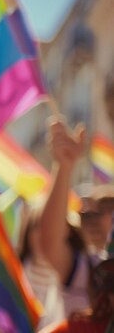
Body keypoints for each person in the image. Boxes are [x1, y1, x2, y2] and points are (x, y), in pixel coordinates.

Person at [38, 118, 114, 317]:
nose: (93, 218)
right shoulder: (87, 269)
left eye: (107, 206)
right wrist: (64, 167)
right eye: (86, 214)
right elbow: (51, 242)